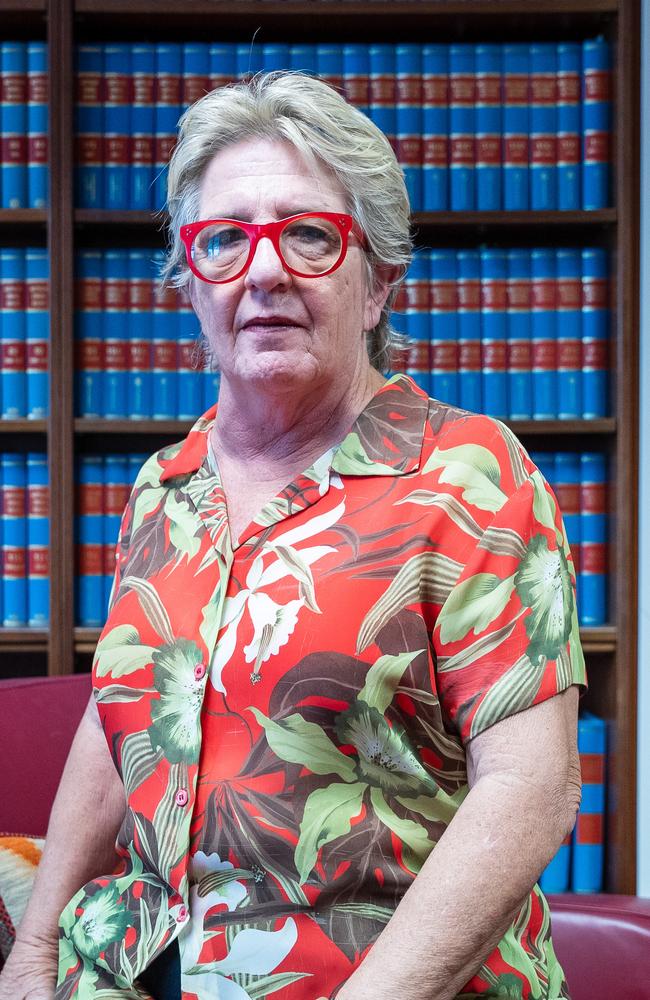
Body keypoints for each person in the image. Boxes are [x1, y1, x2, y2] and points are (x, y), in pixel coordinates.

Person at [0, 71, 584, 1000]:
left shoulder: (471, 476)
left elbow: (532, 788)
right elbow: (122, 727)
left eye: (308, 234)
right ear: (191, 280)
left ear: (380, 278)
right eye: (225, 240)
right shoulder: (164, 487)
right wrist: (30, 957)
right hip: (126, 968)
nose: (263, 269)